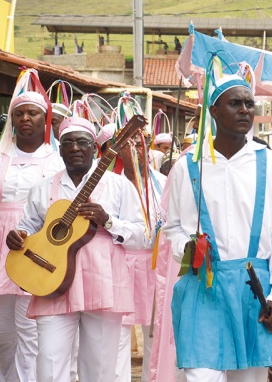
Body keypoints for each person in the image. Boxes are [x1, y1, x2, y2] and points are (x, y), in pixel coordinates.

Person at [165, 70, 272, 381]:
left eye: (250, 104)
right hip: (203, 290)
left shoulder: (269, 162)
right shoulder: (188, 165)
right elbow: (172, 228)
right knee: (201, 375)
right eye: (235, 103)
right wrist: (189, 248)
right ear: (213, 111)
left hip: (255, 292)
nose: (246, 110)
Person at [7, 116, 146, 382]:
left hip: (102, 284)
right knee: (48, 365)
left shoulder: (118, 185)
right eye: (67, 143)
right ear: (59, 149)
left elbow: (142, 237)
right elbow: (27, 229)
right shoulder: (43, 187)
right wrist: (17, 237)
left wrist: (108, 221)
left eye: (82, 142)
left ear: (95, 147)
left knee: (101, 368)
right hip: (50, 282)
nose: (74, 148)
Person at [0, 87, 63, 382]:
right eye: (19, 113)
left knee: (29, 329)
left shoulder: (56, 161)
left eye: (32, 113)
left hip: (34, 247)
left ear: (44, 120)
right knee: (1, 333)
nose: (25, 118)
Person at [114, 128, 167, 382]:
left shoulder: (164, 183)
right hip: (118, 263)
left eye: (142, 142)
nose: (136, 148)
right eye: (129, 143)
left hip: (155, 265)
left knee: (154, 335)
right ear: (117, 148)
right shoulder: (109, 183)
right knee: (117, 335)